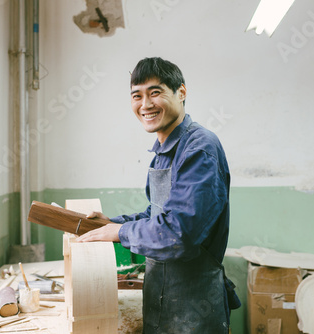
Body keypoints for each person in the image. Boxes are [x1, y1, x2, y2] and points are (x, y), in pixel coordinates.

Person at [76, 57, 238, 333]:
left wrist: (121, 233)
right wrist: (111, 223)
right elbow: (157, 215)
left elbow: (179, 234)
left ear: (181, 93)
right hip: (161, 303)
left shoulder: (199, 148)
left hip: (195, 309)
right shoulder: (163, 152)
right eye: (137, 96)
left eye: (155, 92)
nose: (145, 104)